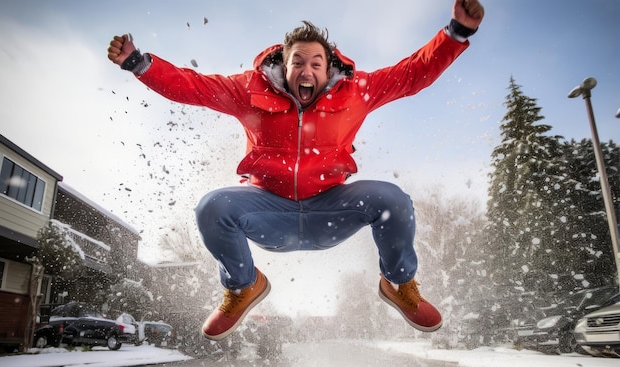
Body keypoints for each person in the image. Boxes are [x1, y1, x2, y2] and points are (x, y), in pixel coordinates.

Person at [108, 0, 485, 341]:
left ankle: (399, 284)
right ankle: (243, 286)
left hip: (329, 209)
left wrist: (456, 34)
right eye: (298, 63)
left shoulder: (356, 91)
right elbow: (194, 87)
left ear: (328, 68)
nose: (307, 71)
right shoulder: (249, 90)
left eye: (316, 64)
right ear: (284, 66)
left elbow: (411, 74)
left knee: (392, 199)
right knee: (213, 206)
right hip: (270, 211)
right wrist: (138, 62)